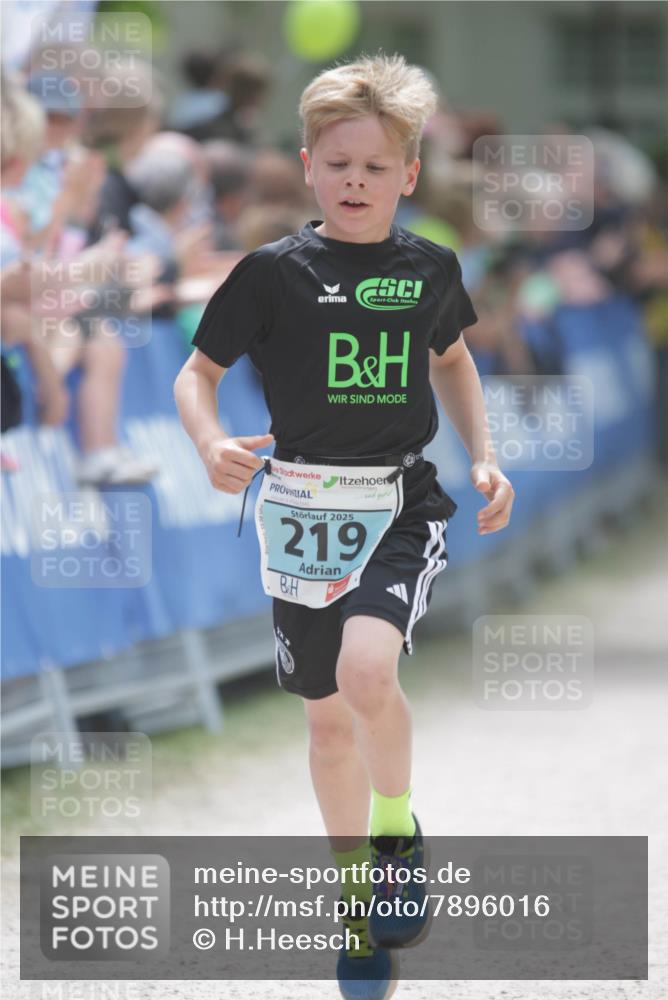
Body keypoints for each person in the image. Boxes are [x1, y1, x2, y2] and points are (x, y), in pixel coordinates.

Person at [174, 53, 514, 1000]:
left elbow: (454, 360)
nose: (355, 181)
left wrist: (482, 450)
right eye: (338, 164)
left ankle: (398, 829)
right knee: (327, 728)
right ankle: (357, 914)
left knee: (369, 670)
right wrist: (207, 444)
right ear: (309, 167)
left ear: (409, 174)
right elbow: (194, 375)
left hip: (399, 502)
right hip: (296, 509)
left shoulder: (427, 267)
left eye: (375, 166)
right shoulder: (273, 274)